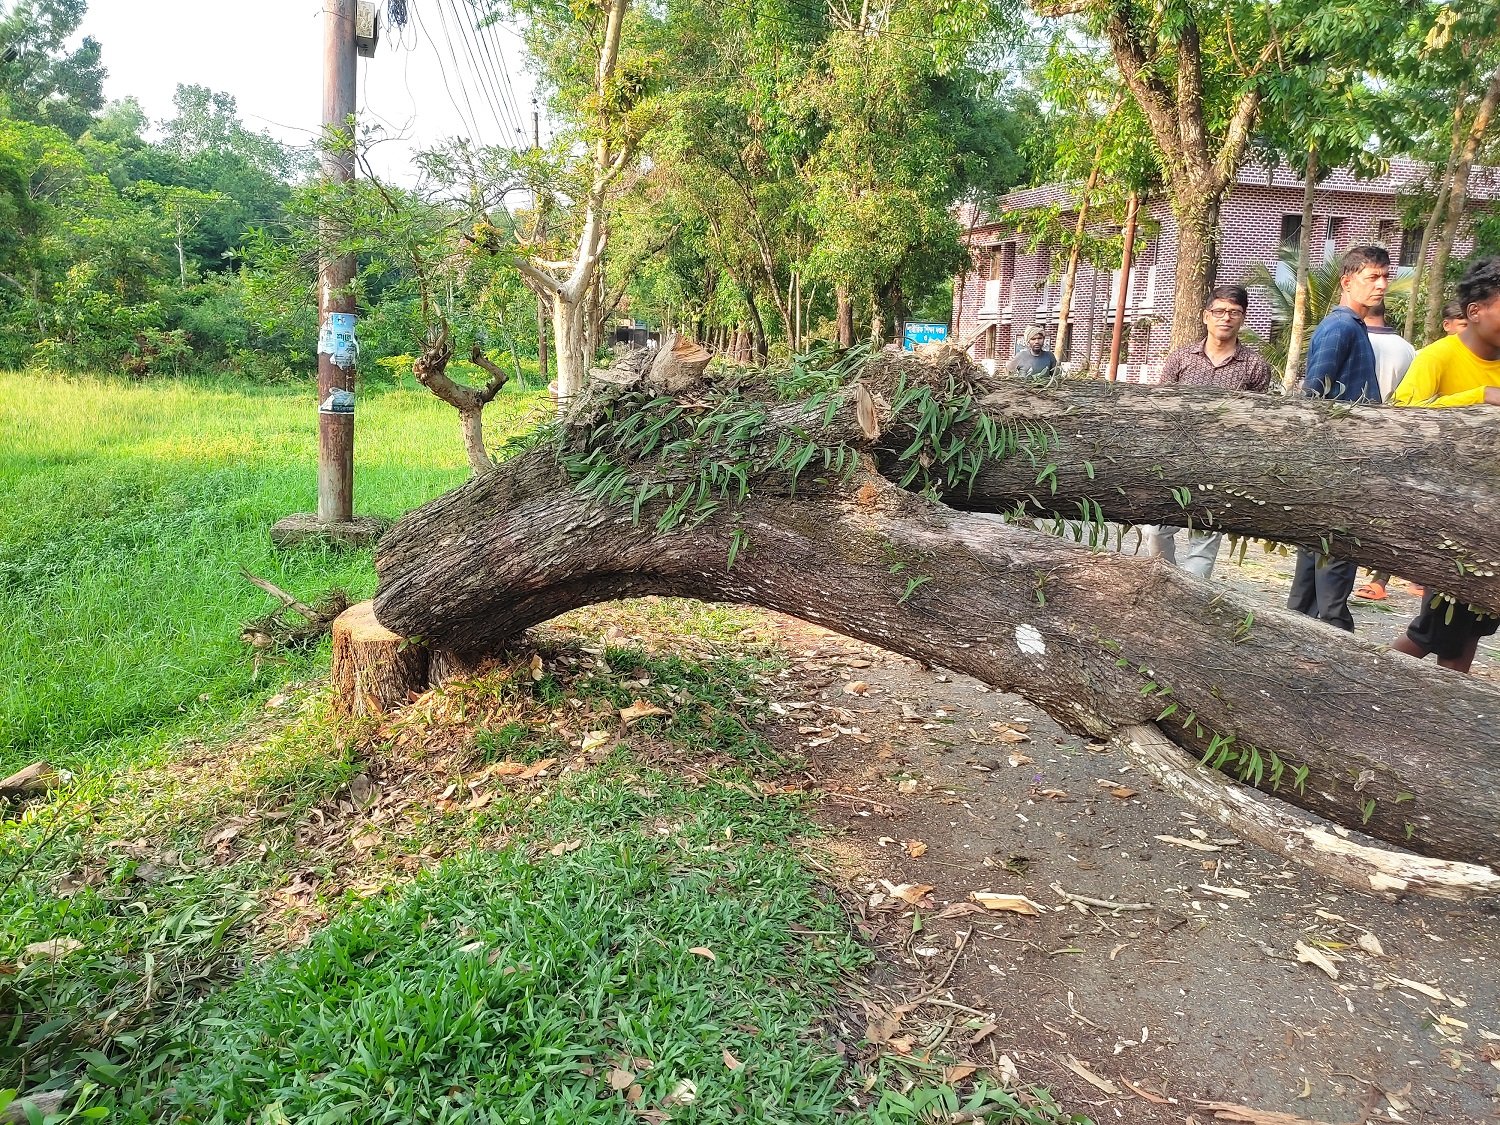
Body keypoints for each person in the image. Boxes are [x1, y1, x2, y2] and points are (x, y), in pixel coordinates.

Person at [1387, 257, 1500, 672]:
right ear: (1475, 311)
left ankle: (1439, 713)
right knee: (1437, 629)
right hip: (1449, 521)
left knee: (1472, 627)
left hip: (1492, 523)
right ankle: (1362, 685)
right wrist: (1477, 396)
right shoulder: (1437, 357)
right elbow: (1402, 417)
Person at [1288, 245, 1390, 632]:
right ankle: (1332, 642)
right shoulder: (1340, 327)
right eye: (1371, 277)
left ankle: (1298, 638)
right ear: (1347, 281)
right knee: (1334, 565)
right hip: (1338, 466)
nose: (1381, 285)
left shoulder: (1351, 327)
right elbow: (1315, 394)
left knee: (1315, 568)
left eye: (1384, 276)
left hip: (1339, 465)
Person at [1143, 284, 1273, 579]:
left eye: (1234, 312)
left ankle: (1189, 598)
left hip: (1221, 464)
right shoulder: (1181, 358)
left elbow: (1257, 421)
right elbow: (1161, 407)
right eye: (1219, 311)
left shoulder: (1255, 366)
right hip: (1175, 458)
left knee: (1205, 538)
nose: (1225, 318)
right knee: (1155, 529)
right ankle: (1166, 580)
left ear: (1243, 318)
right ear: (1206, 316)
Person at [1352, 302, 1416, 601]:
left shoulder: (1351, 338)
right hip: (1394, 439)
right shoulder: (1408, 349)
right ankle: (1380, 578)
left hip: (1351, 438)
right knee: (1390, 514)